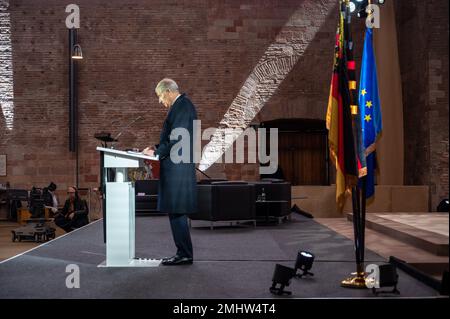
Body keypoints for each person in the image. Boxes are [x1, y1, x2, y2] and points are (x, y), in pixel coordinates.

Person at [143, 78, 197, 266]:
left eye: (160, 96)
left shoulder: (182, 106)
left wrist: (157, 152)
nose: (160, 101)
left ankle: (184, 254)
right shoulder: (183, 106)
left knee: (177, 211)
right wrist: (155, 148)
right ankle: (183, 252)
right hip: (177, 167)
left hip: (178, 170)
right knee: (176, 212)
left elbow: (177, 140)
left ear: (167, 91)